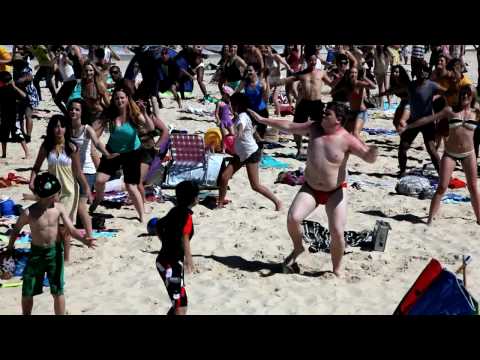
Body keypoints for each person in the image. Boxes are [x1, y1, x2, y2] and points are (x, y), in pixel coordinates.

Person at [248, 102, 378, 276]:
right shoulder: (314, 127)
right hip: (311, 188)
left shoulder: (347, 139)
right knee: (293, 218)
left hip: (336, 191)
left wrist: (372, 152)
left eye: (328, 113)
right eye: (324, 111)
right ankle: (298, 248)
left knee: (337, 231)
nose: (323, 113)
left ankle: (337, 270)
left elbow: (368, 157)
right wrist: (263, 119)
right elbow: (289, 126)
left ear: (338, 119)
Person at [7, 172, 95, 315]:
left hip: (54, 253)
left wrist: (84, 240)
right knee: (28, 289)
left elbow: (71, 229)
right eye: (57, 193)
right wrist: (10, 248)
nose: (59, 195)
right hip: (36, 254)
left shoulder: (59, 208)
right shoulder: (29, 212)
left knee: (58, 290)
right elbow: (16, 229)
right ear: (49, 196)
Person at [399, 86, 480, 225]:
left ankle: (479, 218)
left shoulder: (477, 112)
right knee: (442, 186)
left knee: (473, 187)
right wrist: (408, 126)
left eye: (467, 94)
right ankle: (430, 219)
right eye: (462, 94)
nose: (464, 96)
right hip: (450, 153)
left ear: (472, 96)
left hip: (469, 154)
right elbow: (429, 119)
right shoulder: (450, 110)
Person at [30, 115, 93, 261]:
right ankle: (56, 254)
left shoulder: (72, 147)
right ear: (52, 128)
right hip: (52, 192)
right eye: (56, 126)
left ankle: (66, 258)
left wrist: (87, 189)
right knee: (53, 224)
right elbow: (36, 167)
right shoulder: (46, 146)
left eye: (62, 126)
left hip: (70, 191)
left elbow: (78, 171)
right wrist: (32, 180)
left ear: (66, 128)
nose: (59, 129)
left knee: (65, 226)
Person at [90, 87, 154, 223]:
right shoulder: (110, 115)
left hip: (132, 153)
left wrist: (144, 112)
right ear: (114, 100)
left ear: (127, 99)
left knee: (131, 186)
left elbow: (150, 128)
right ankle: (98, 198)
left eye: (122, 98)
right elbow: (96, 131)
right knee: (100, 180)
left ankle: (141, 214)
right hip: (113, 151)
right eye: (117, 98)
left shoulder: (134, 114)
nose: (119, 100)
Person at [218, 93, 282, 211]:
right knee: (224, 177)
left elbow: (241, 126)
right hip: (240, 153)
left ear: (237, 105)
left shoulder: (242, 116)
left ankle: (278, 202)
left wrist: (239, 132)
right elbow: (246, 128)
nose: (229, 106)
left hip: (251, 153)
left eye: (231, 103)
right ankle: (220, 204)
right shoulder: (239, 115)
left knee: (255, 186)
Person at [68, 99, 117, 238]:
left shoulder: (87, 129)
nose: (74, 112)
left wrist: (107, 155)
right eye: (72, 109)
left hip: (87, 171)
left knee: (81, 205)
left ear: (82, 112)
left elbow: (97, 142)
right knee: (71, 202)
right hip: (70, 171)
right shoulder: (66, 128)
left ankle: (89, 235)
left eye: (77, 110)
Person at [277, 52, 335, 158]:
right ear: (306, 61)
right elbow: (287, 80)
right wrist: (272, 81)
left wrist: (339, 78)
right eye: (310, 60)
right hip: (304, 102)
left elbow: (331, 84)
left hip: (317, 103)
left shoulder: (321, 73)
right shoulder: (302, 74)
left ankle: (318, 150)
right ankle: (299, 149)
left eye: (314, 60)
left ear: (317, 60)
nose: (312, 62)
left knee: (320, 128)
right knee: (296, 127)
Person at [154, 181, 199, 316]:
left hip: (166, 261)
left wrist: (165, 242)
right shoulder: (187, 215)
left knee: (180, 303)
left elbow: (158, 225)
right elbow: (184, 236)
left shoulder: (174, 211)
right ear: (194, 198)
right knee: (180, 306)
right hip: (170, 264)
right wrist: (189, 259)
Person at [397, 61, 447, 176]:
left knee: (431, 149)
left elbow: (446, 92)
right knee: (403, 147)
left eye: (424, 70)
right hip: (413, 121)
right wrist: (384, 93)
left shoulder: (431, 85)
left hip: (427, 122)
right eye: (420, 70)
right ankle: (402, 171)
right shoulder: (411, 85)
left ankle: (441, 174)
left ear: (427, 72)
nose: (422, 72)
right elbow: (398, 89)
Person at [12, 48, 40, 143]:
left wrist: (19, 81)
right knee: (20, 116)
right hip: (19, 94)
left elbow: (30, 77)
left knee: (28, 115)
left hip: (29, 95)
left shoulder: (25, 68)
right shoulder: (15, 68)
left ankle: (28, 136)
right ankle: (23, 134)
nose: (16, 63)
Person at [235, 63, 269, 140]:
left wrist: (266, 83)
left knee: (261, 133)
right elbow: (237, 92)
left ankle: (260, 147)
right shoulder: (245, 82)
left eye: (250, 71)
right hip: (251, 111)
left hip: (262, 111)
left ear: (256, 71)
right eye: (247, 71)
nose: (248, 72)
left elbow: (266, 98)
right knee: (252, 131)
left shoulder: (261, 83)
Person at [0, 71, 30, 159]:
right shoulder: (13, 89)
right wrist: (15, 87)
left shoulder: (1, 90)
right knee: (19, 135)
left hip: (5, 116)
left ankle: (4, 154)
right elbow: (25, 97)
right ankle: (27, 153)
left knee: (3, 137)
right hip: (13, 116)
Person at [342, 67, 376, 138]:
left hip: (361, 112)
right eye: (352, 72)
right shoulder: (346, 85)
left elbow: (373, 86)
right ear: (348, 74)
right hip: (351, 112)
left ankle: (366, 149)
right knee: (345, 133)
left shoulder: (359, 84)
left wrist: (364, 77)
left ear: (357, 74)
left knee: (355, 133)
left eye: (355, 73)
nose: (353, 74)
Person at [261, 45, 293, 115]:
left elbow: (285, 64)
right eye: (264, 49)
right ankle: (265, 113)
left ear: (270, 48)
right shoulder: (264, 58)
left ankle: (278, 114)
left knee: (274, 98)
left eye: (267, 48)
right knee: (266, 97)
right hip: (270, 80)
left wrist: (290, 70)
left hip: (278, 79)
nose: (265, 50)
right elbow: (264, 70)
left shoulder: (276, 56)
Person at [215, 85, 236, 152]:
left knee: (232, 133)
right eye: (228, 96)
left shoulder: (229, 103)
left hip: (229, 121)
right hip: (222, 122)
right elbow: (216, 113)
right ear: (224, 95)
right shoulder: (219, 103)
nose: (229, 98)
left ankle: (229, 146)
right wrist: (218, 120)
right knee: (224, 136)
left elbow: (232, 111)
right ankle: (223, 149)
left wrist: (235, 114)